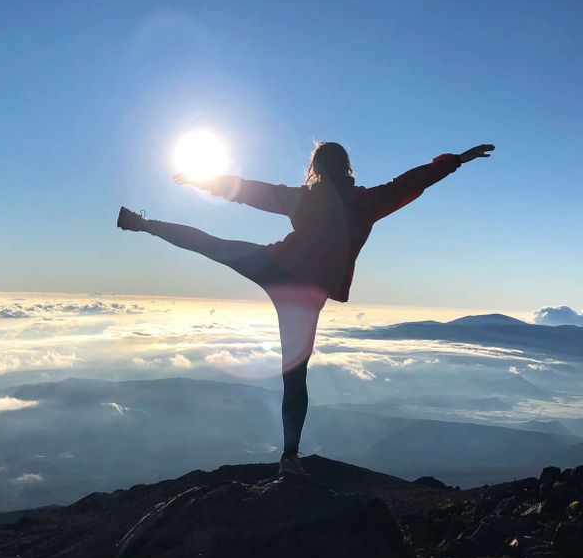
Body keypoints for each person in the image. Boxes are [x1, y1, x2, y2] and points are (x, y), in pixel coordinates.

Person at [117, 141, 495, 475]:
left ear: (314, 168)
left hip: (275, 267)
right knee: (295, 375)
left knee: (212, 244)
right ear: (347, 168)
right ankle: (289, 457)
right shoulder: (366, 202)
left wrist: (204, 179)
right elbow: (413, 181)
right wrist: (456, 160)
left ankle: (143, 224)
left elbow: (249, 191)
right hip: (307, 295)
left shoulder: (304, 198)